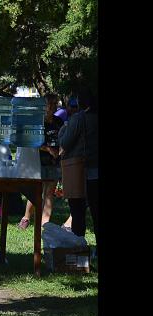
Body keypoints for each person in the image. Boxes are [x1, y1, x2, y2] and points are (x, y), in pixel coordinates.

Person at [58, 88, 98, 253]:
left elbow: (65, 143)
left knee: (78, 213)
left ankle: (79, 250)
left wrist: (63, 129)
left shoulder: (77, 119)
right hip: (96, 172)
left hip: (78, 172)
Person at [17, 93, 64, 230]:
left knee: (50, 191)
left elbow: (63, 139)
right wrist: (48, 149)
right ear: (44, 106)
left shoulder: (58, 122)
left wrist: (60, 151)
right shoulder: (37, 122)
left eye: (56, 104)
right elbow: (32, 142)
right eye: (51, 104)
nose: (54, 107)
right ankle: (26, 218)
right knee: (36, 191)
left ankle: (44, 223)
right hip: (38, 160)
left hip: (54, 161)